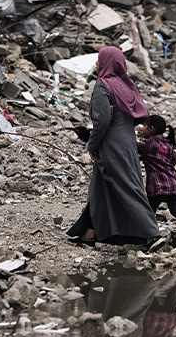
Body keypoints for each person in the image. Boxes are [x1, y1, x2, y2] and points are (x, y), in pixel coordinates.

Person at [67, 47, 161, 247]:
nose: (96, 64)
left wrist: (91, 145)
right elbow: (137, 114)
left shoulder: (103, 86)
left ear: (107, 62)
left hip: (111, 145)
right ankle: (89, 234)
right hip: (127, 142)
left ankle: (152, 233)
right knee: (100, 189)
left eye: (99, 60)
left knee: (128, 187)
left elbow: (102, 122)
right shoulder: (127, 85)